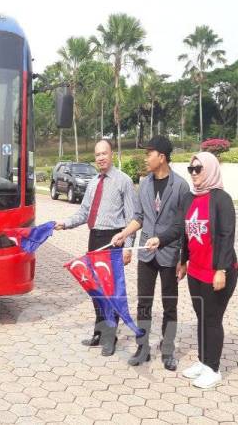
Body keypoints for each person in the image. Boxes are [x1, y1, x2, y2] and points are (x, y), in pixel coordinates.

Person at [146, 151, 238, 389]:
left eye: (199, 169)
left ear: (210, 169)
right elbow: (181, 229)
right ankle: (202, 361)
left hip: (217, 271)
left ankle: (213, 369)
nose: (194, 173)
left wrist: (222, 270)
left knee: (212, 318)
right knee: (201, 317)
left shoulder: (221, 199)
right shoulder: (189, 198)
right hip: (196, 270)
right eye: (191, 169)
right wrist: (172, 250)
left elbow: (227, 237)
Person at [110, 136, 190, 370]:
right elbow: (140, 217)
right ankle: (142, 347)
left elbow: (182, 227)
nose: (146, 158)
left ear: (162, 157)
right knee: (144, 303)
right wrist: (124, 234)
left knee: (170, 305)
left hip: (169, 255)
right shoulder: (144, 183)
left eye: (149, 153)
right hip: (146, 253)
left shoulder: (181, 186)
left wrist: (183, 259)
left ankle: (168, 350)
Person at [55, 139, 136, 357]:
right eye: (97, 154)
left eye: (104, 153)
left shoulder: (123, 181)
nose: (100, 158)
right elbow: (83, 213)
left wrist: (128, 247)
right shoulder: (93, 183)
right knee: (95, 290)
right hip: (95, 238)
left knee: (110, 290)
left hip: (114, 239)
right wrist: (65, 223)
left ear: (112, 154)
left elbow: (132, 219)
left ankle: (111, 337)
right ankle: (99, 332)